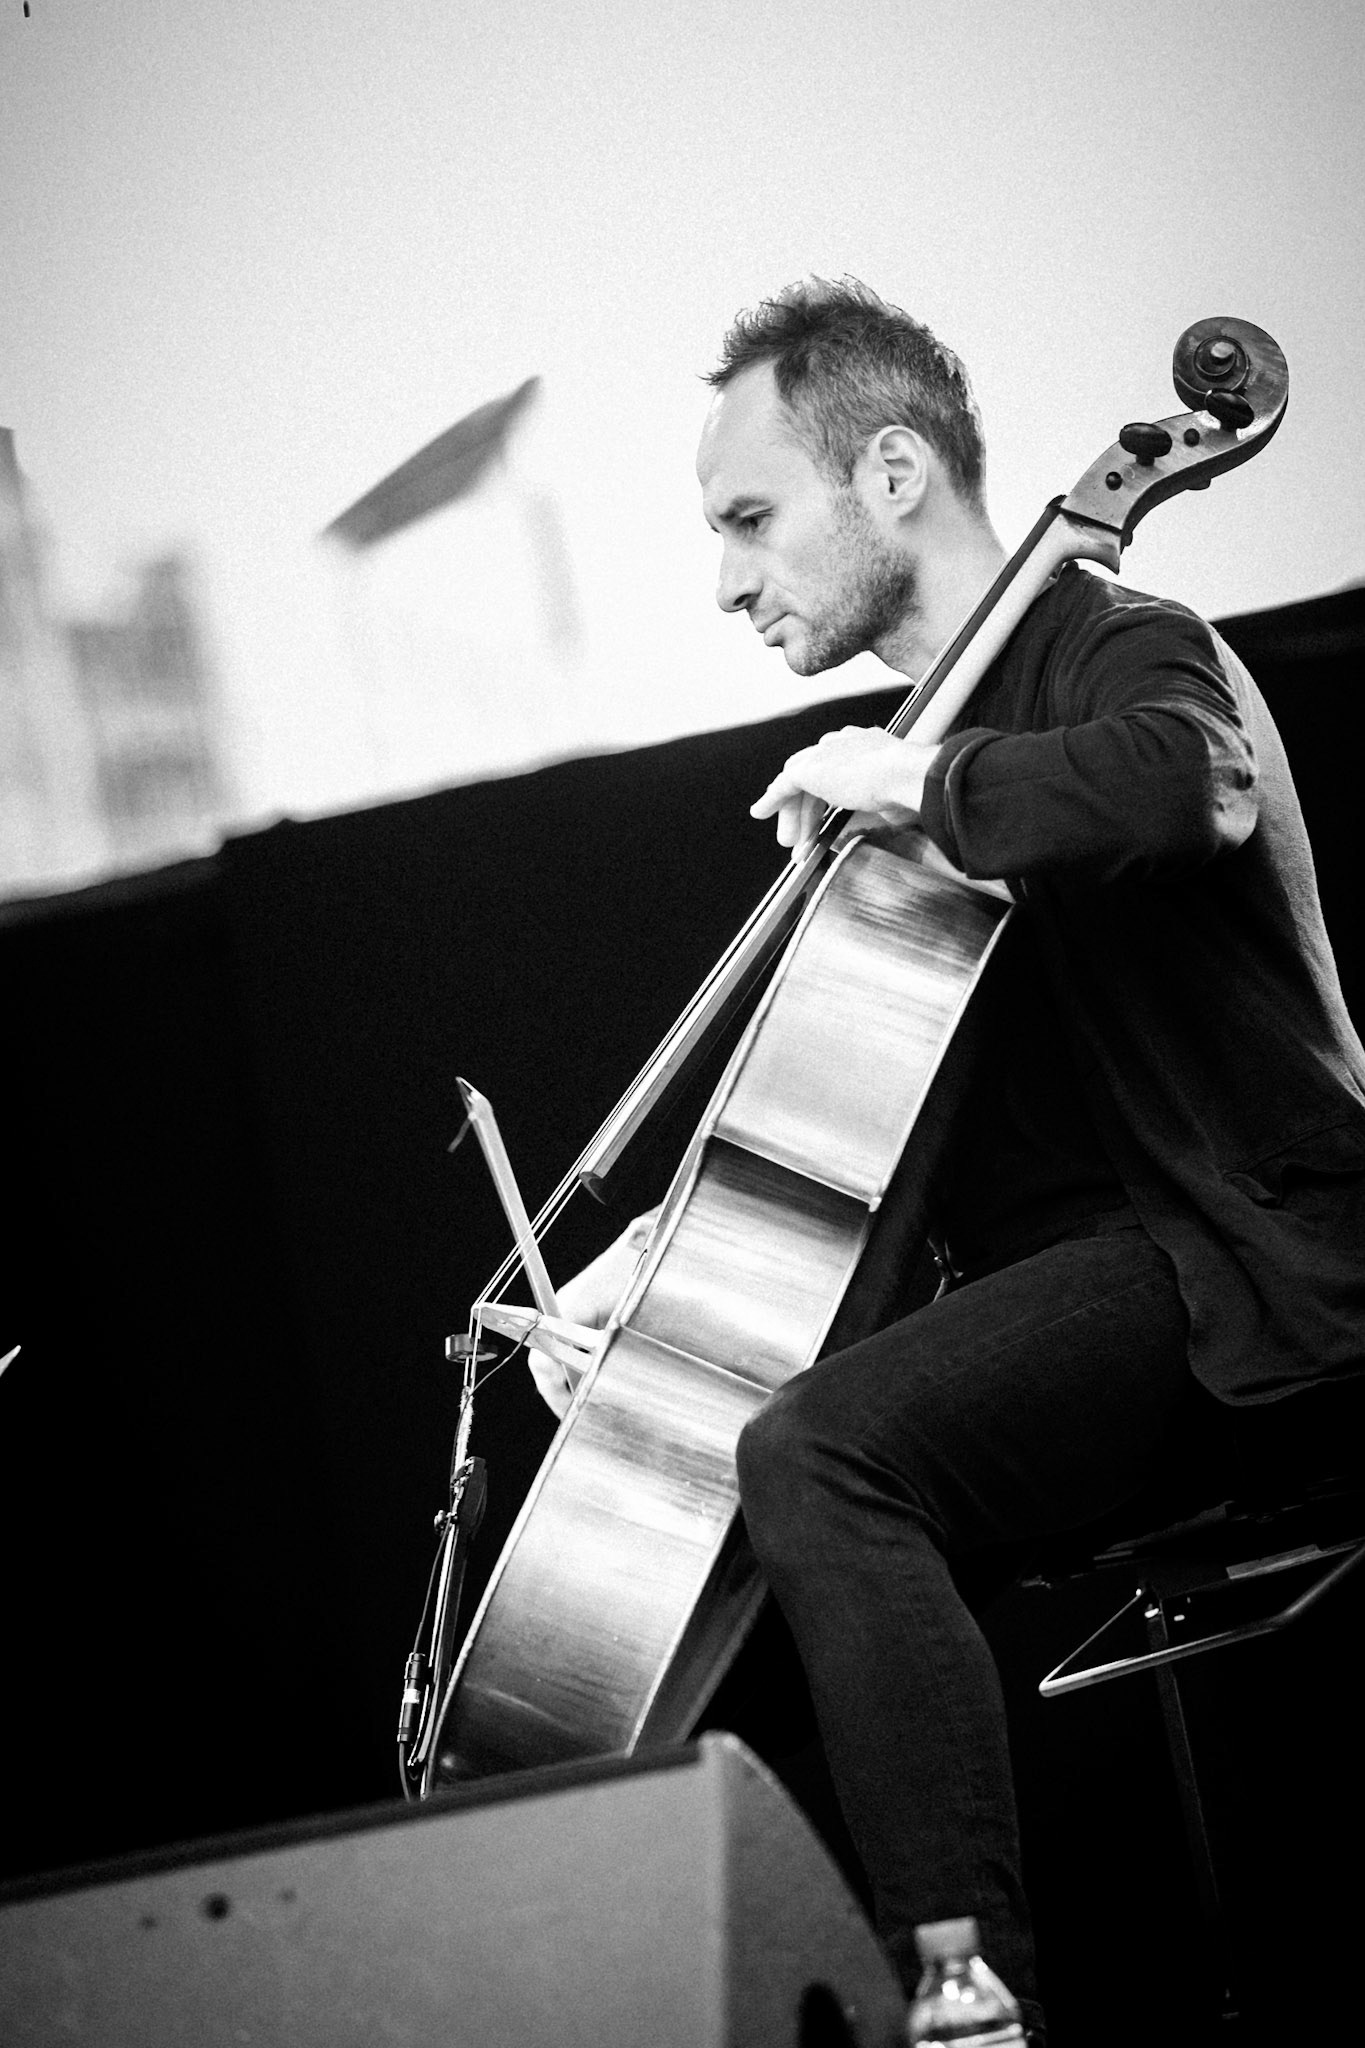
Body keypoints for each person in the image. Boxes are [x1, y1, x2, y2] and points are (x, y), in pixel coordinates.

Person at [530, 279, 1365, 2040]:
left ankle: (969, 2004)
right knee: (732, 1610)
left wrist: (924, 786)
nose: (728, 579)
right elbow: (863, 1136)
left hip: (1249, 1273)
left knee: (822, 1456)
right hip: (1097, 1304)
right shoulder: (903, 774)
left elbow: (1180, 785)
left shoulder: (1120, 641)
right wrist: (653, 1271)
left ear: (892, 475)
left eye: (749, 518)